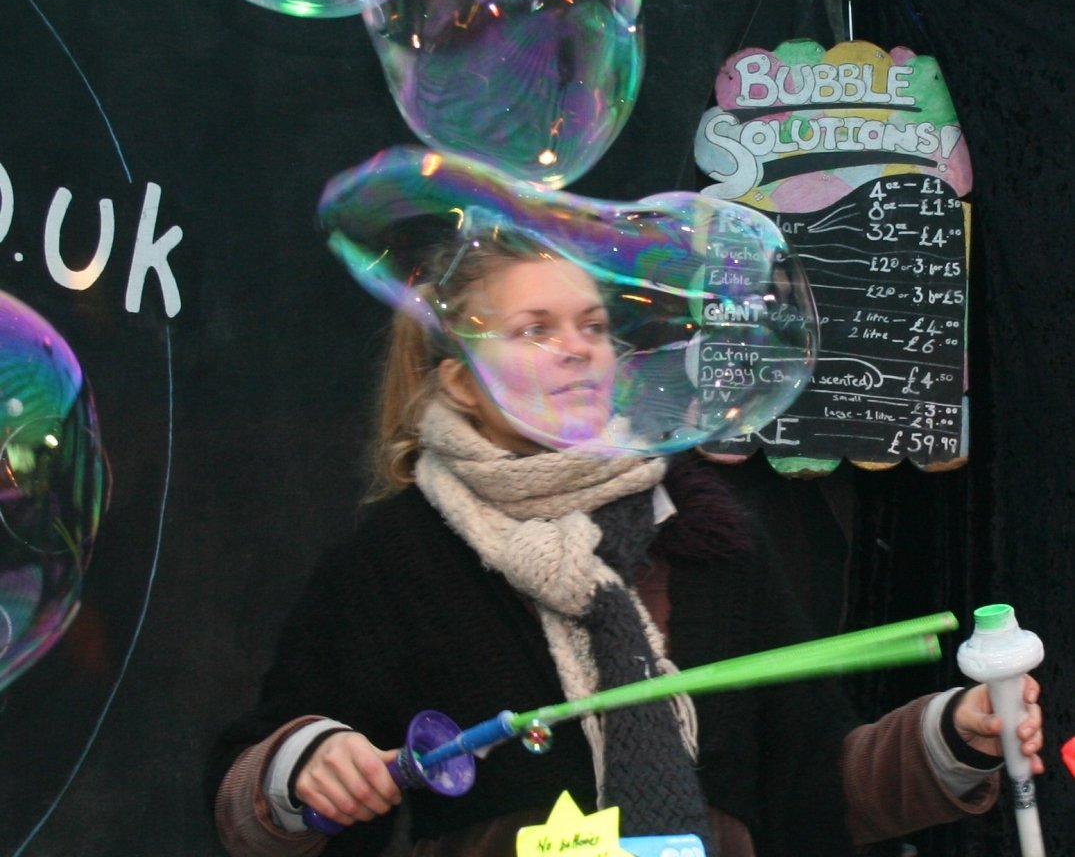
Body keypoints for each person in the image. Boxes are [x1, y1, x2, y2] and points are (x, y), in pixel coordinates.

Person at [207, 232, 1044, 857]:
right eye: (533, 330)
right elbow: (253, 792)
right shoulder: (398, 561)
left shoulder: (708, 537)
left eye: (593, 326)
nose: (576, 348)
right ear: (460, 379)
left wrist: (954, 733)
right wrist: (307, 765)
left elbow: (814, 781)